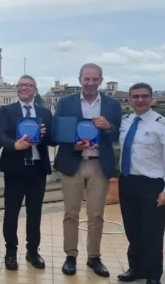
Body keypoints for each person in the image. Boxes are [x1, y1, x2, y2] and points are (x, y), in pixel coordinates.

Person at [53, 63, 122, 277]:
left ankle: (94, 257)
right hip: (73, 162)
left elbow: (119, 134)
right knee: (71, 212)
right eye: (86, 79)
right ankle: (70, 256)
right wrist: (72, 145)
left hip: (99, 164)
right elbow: (57, 133)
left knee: (96, 213)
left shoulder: (112, 104)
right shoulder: (65, 103)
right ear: (80, 79)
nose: (90, 83)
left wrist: (108, 127)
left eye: (94, 79)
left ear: (101, 80)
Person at [0, 75, 52, 271]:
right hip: (15, 170)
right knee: (11, 212)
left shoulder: (45, 112)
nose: (24, 88)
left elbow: (52, 139)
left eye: (28, 85)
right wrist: (14, 145)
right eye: (20, 85)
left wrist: (44, 134)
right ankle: (11, 251)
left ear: (35, 90)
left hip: (37, 169)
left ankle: (33, 251)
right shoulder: (7, 110)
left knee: (35, 213)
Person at [117, 83, 165, 284]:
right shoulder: (125, 121)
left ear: (152, 99)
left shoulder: (162, 125)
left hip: (152, 184)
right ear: (130, 99)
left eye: (145, 96)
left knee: (153, 232)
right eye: (136, 96)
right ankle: (136, 269)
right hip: (128, 182)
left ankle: (153, 274)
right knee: (132, 229)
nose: (140, 100)